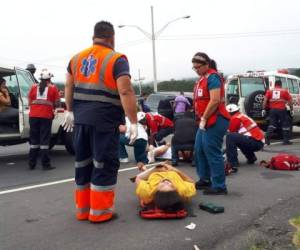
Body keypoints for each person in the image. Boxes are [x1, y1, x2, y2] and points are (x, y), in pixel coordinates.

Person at [62, 21, 138, 223]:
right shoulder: (117, 59)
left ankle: (83, 210)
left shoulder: (76, 58)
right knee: (103, 164)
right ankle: (100, 213)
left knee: (83, 163)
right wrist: (133, 121)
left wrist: (69, 110)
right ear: (112, 38)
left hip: (81, 120)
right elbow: (125, 90)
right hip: (104, 121)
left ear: (93, 37)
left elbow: (68, 86)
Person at [192, 52, 231, 195]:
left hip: (215, 119)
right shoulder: (201, 80)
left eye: (198, 67)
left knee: (212, 151)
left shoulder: (213, 78)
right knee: (199, 149)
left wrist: (204, 118)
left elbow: (214, 100)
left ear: (206, 65)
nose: (196, 70)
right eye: (194, 68)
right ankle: (205, 178)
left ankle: (219, 185)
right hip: (205, 121)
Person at [28, 69, 60, 170]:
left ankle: (31, 164)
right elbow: (57, 103)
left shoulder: (33, 87)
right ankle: (45, 164)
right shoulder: (53, 88)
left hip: (33, 116)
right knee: (44, 141)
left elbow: (29, 100)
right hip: (46, 117)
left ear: (40, 79)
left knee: (34, 140)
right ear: (49, 79)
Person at [225, 104, 265, 172]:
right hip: (258, 142)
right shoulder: (241, 115)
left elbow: (231, 132)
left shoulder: (235, 118)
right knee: (239, 139)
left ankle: (232, 162)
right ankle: (251, 157)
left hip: (255, 142)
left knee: (231, 137)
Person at [263, 79, 293, 145]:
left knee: (272, 124)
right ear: (281, 84)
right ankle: (285, 141)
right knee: (285, 125)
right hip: (282, 110)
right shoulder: (284, 91)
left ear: (275, 84)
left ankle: (267, 138)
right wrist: (291, 109)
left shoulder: (269, 91)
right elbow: (290, 101)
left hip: (272, 110)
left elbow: (265, 101)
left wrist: (263, 109)